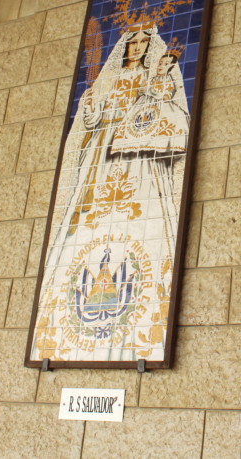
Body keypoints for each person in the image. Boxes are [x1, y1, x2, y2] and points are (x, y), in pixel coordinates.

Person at [33, 25, 189, 362]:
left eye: (143, 43)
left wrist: (161, 79)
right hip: (102, 152)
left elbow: (163, 103)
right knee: (90, 214)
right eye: (133, 43)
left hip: (135, 151)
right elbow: (93, 120)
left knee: (140, 211)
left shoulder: (153, 74)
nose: (137, 48)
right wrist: (91, 107)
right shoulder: (111, 77)